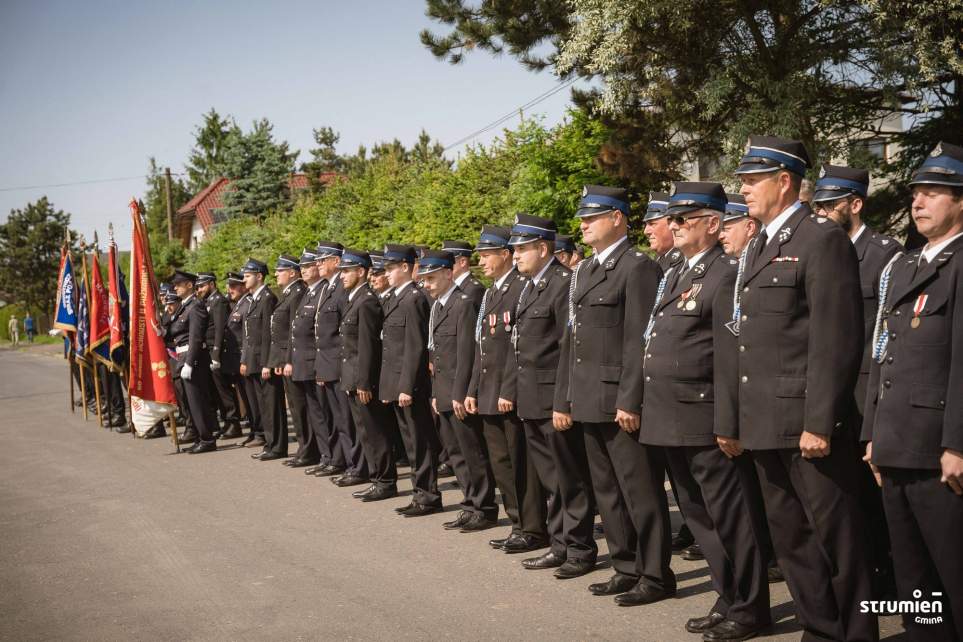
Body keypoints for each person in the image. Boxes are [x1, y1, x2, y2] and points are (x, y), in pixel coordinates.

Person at [722, 135, 876, 641]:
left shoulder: (820, 239)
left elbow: (835, 339)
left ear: (784, 181)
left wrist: (819, 421)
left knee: (838, 541)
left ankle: (855, 633)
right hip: (765, 422)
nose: (742, 189)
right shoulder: (762, 243)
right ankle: (820, 628)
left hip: (807, 425)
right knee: (792, 541)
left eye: (751, 180)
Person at [640, 182, 771, 640]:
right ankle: (728, 594)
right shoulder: (678, 271)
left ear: (714, 224)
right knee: (699, 517)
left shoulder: (725, 273)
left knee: (730, 517)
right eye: (671, 219)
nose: (672, 226)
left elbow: (731, 355)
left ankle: (752, 607)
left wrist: (727, 421)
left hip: (704, 416)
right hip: (669, 415)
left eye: (683, 219)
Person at [555, 185, 676, 603]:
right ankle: (625, 566)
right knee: (607, 492)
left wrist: (631, 398)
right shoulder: (585, 271)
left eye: (594, 215)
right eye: (583, 217)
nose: (584, 223)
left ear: (618, 218)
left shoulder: (637, 267)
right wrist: (564, 399)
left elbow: (641, 340)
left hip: (620, 401)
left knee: (640, 491)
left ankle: (656, 575)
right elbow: (573, 341)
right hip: (588, 398)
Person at [862, 141, 963, 642]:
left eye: (933, 194)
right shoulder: (903, 266)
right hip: (897, 442)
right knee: (913, 582)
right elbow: (883, 354)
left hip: (938, 450)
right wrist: (873, 434)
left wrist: (957, 443)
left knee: (953, 573)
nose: (918, 202)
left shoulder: (960, 264)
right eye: (916, 194)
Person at [813, 163, 901, 597]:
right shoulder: (816, 250)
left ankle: (887, 578)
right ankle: (860, 578)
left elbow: (885, 330)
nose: (824, 211)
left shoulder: (883, 252)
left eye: (831, 204)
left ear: (855, 203)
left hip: (867, 390)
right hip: (832, 392)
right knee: (843, 494)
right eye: (820, 204)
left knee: (874, 495)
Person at [507, 214, 598, 576]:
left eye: (522, 249)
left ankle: (578, 549)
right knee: (550, 479)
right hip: (531, 397)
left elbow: (567, 348)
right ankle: (559, 544)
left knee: (568, 479)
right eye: (514, 249)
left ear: (543, 248)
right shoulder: (530, 285)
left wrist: (564, 401)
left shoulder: (563, 284)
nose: (516, 256)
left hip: (552, 399)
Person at [466, 224, 548, 553]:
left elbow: (518, 348)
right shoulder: (492, 291)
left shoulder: (519, 287)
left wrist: (509, 390)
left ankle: (532, 527)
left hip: (507, 393)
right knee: (502, 463)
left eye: (487, 256)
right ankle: (517, 524)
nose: (482, 262)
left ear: (504, 256)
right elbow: (482, 346)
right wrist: (473, 389)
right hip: (489, 390)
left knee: (521, 465)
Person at [421, 249, 496, 531]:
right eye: (424, 279)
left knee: (472, 452)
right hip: (442, 391)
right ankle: (469, 503)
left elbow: (467, 353)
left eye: (432, 278)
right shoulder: (439, 305)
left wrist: (460, 393)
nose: (427, 284)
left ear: (449, 273)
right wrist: (436, 394)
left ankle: (484, 507)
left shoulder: (461, 304)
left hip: (457, 393)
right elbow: (437, 356)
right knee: (455, 453)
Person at [381, 244, 443, 517]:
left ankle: (428, 495)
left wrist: (406, 386)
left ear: (405, 267)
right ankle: (420, 493)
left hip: (411, 386)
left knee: (420, 442)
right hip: (397, 383)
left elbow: (415, 347)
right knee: (410, 443)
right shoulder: (398, 297)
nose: (387, 273)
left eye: (391, 268)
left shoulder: (414, 298)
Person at [337, 249, 398, 502]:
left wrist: (364, 381)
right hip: (352, 376)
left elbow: (368, 346)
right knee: (365, 432)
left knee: (375, 432)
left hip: (363, 379)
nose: (342, 276)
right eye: (341, 271)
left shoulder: (367, 301)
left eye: (347, 271)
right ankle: (377, 478)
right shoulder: (355, 299)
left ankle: (384, 481)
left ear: (361, 271)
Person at [312, 241, 368, 484]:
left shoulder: (342, 290)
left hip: (340, 363)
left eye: (322, 260)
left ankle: (358, 466)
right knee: (340, 420)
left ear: (336, 261)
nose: (318, 264)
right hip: (330, 363)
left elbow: (345, 331)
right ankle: (349, 462)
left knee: (349, 421)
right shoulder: (328, 287)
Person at [166, 270, 219, 454]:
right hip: (183, 357)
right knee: (190, 402)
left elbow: (196, 337)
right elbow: (175, 332)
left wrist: (189, 363)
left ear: (189, 285)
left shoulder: (195, 305)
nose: (175, 288)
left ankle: (207, 438)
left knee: (198, 401)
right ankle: (199, 436)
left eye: (179, 284)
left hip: (193, 358)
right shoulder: (183, 306)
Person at [284, 250, 325, 468]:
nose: (305, 270)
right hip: (303, 361)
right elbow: (295, 329)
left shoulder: (321, 291)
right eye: (303, 267)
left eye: (309, 266)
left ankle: (326, 455)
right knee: (313, 413)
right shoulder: (309, 292)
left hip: (313, 361)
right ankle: (325, 456)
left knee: (320, 414)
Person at [240, 258, 279, 455]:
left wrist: (266, 363)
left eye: (247, 276)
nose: (244, 280)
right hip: (253, 360)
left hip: (263, 362)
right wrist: (245, 360)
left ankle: (275, 446)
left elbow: (267, 334)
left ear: (259, 276)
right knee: (262, 405)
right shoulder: (254, 298)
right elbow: (249, 334)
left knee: (270, 406)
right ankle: (269, 444)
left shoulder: (267, 298)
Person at [196, 272, 241, 439]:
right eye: (198, 286)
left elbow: (221, 329)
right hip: (209, 350)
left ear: (212, 284)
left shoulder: (219, 301)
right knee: (216, 389)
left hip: (218, 352)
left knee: (224, 390)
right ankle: (227, 421)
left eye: (202, 286)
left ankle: (233, 423)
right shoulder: (208, 301)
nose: (199, 289)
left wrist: (215, 354)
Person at [224, 272, 251, 441]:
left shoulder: (247, 303)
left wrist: (245, 359)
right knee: (246, 398)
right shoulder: (237, 304)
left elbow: (248, 335)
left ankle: (259, 431)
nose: (230, 290)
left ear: (243, 287)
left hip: (244, 356)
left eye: (234, 286)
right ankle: (256, 430)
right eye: (229, 286)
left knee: (251, 399)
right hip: (236, 358)